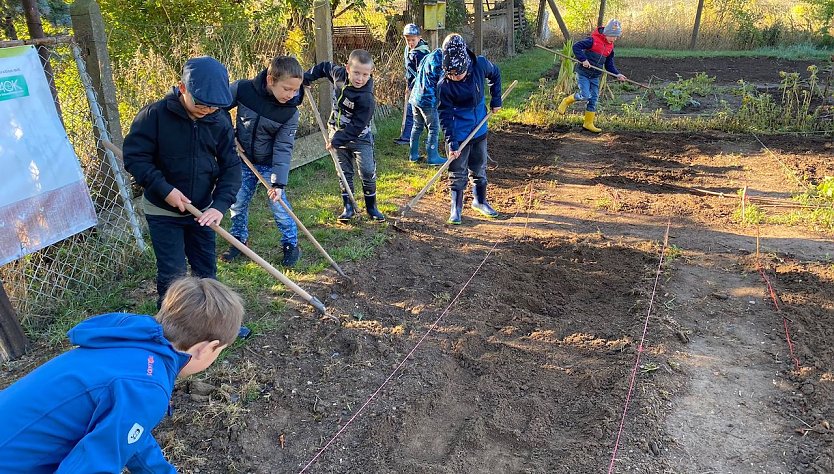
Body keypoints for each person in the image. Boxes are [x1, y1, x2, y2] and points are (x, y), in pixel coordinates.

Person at [0, 277, 245, 473]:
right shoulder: (147, 387)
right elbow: (91, 467)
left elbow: (128, 434)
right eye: (219, 352)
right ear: (206, 348)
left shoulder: (134, 343)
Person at [123, 56, 241, 307]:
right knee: (172, 275)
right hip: (163, 211)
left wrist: (219, 206)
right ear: (182, 88)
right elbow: (136, 158)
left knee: (206, 272)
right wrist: (165, 190)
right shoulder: (154, 116)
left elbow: (231, 167)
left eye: (214, 106)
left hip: (202, 211)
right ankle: (170, 324)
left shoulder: (219, 121)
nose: (206, 110)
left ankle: (210, 320)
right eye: (201, 103)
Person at [221, 56, 304, 267]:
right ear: (270, 80)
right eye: (287, 89)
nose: (291, 95)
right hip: (244, 159)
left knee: (279, 205)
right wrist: (230, 135)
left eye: (295, 90)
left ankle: (291, 244)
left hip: (270, 164)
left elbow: (283, 148)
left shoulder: (289, 112)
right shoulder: (243, 89)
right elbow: (218, 108)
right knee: (237, 201)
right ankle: (239, 240)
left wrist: (278, 183)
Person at [304, 49, 386, 222]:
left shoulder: (366, 98)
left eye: (365, 74)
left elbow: (357, 126)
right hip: (336, 131)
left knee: (367, 170)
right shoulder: (338, 75)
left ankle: (371, 207)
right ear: (347, 68)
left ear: (370, 73)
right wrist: (307, 77)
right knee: (343, 171)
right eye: (356, 73)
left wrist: (336, 140)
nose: (360, 78)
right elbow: (324, 67)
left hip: (360, 138)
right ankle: (348, 207)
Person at [436, 34, 503, 225]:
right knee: (457, 172)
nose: (454, 77)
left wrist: (496, 99)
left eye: (458, 74)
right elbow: (445, 116)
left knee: (479, 167)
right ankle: (456, 208)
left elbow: (495, 74)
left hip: (479, 127)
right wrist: (452, 142)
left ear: (466, 64)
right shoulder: (444, 85)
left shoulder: (479, 65)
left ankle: (480, 201)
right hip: (458, 132)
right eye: (450, 74)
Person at [557, 19, 627, 133]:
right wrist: (583, 59)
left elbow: (609, 65)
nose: (614, 39)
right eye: (613, 36)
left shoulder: (610, 47)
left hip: (595, 76)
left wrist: (617, 74)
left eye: (616, 37)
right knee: (585, 95)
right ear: (606, 33)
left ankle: (588, 123)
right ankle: (566, 101)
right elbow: (576, 47)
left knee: (593, 99)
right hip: (583, 73)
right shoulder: (593, 40)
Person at [409, 36, 446, 166]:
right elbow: (441, 83)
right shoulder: (441, 61)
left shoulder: (428, 56)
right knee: (434, 128)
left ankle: (413, 155)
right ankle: (432, 157)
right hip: (428, 100)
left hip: (415, 97)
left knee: (417, 126)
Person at [393, 23, 431, 151]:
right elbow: (408, 69)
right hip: (412, 86)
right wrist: (408, 85)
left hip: (421, 88)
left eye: (413, 40)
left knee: (423, 114)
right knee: (411, 112)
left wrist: (415, 86)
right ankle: (406, 137)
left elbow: (423, 73)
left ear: (419, 38)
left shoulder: (421, 53)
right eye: (408, 40)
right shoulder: (408, 50)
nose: (410, 42)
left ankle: (431, 137)